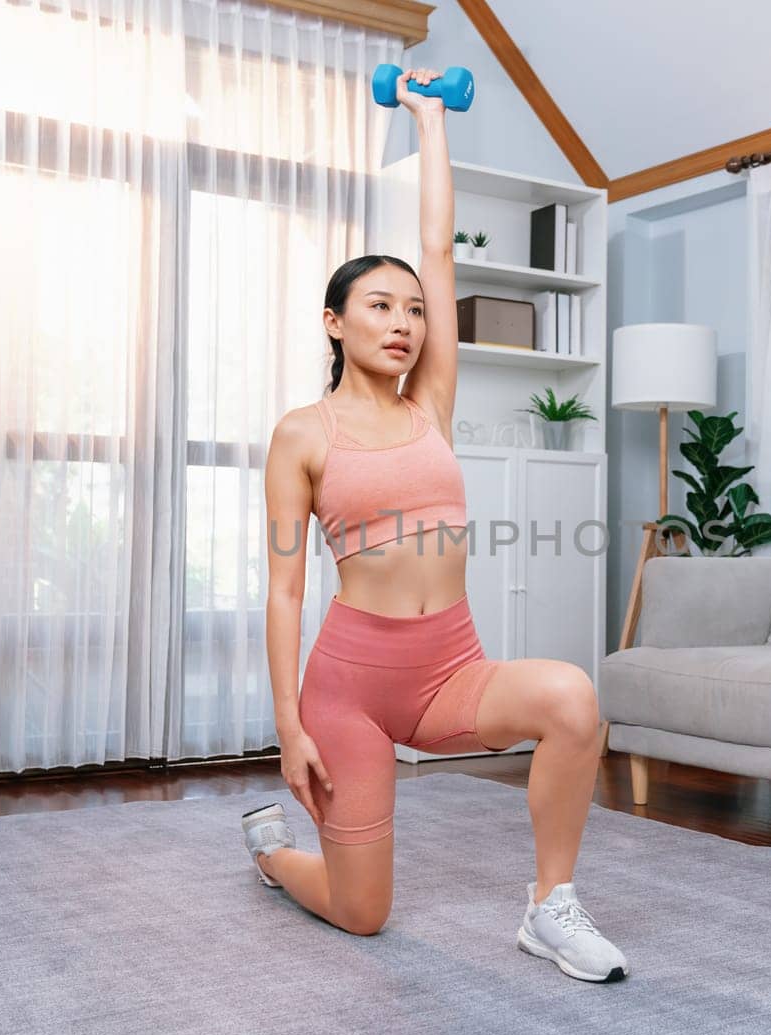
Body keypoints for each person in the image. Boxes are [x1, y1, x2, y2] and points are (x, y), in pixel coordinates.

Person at [244, 67, 629, 983]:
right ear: (334, 322)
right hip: (350, 692)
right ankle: (269, 851)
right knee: (361, 911)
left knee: (574, 697)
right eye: (381, 306)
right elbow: (287, 586)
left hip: (450, 671)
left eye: (414, 310)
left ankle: (551, 906)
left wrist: (429, 118)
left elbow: (439, 250)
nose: (406, 322)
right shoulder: (302, 433)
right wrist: (289, 725)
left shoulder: (433, 405)